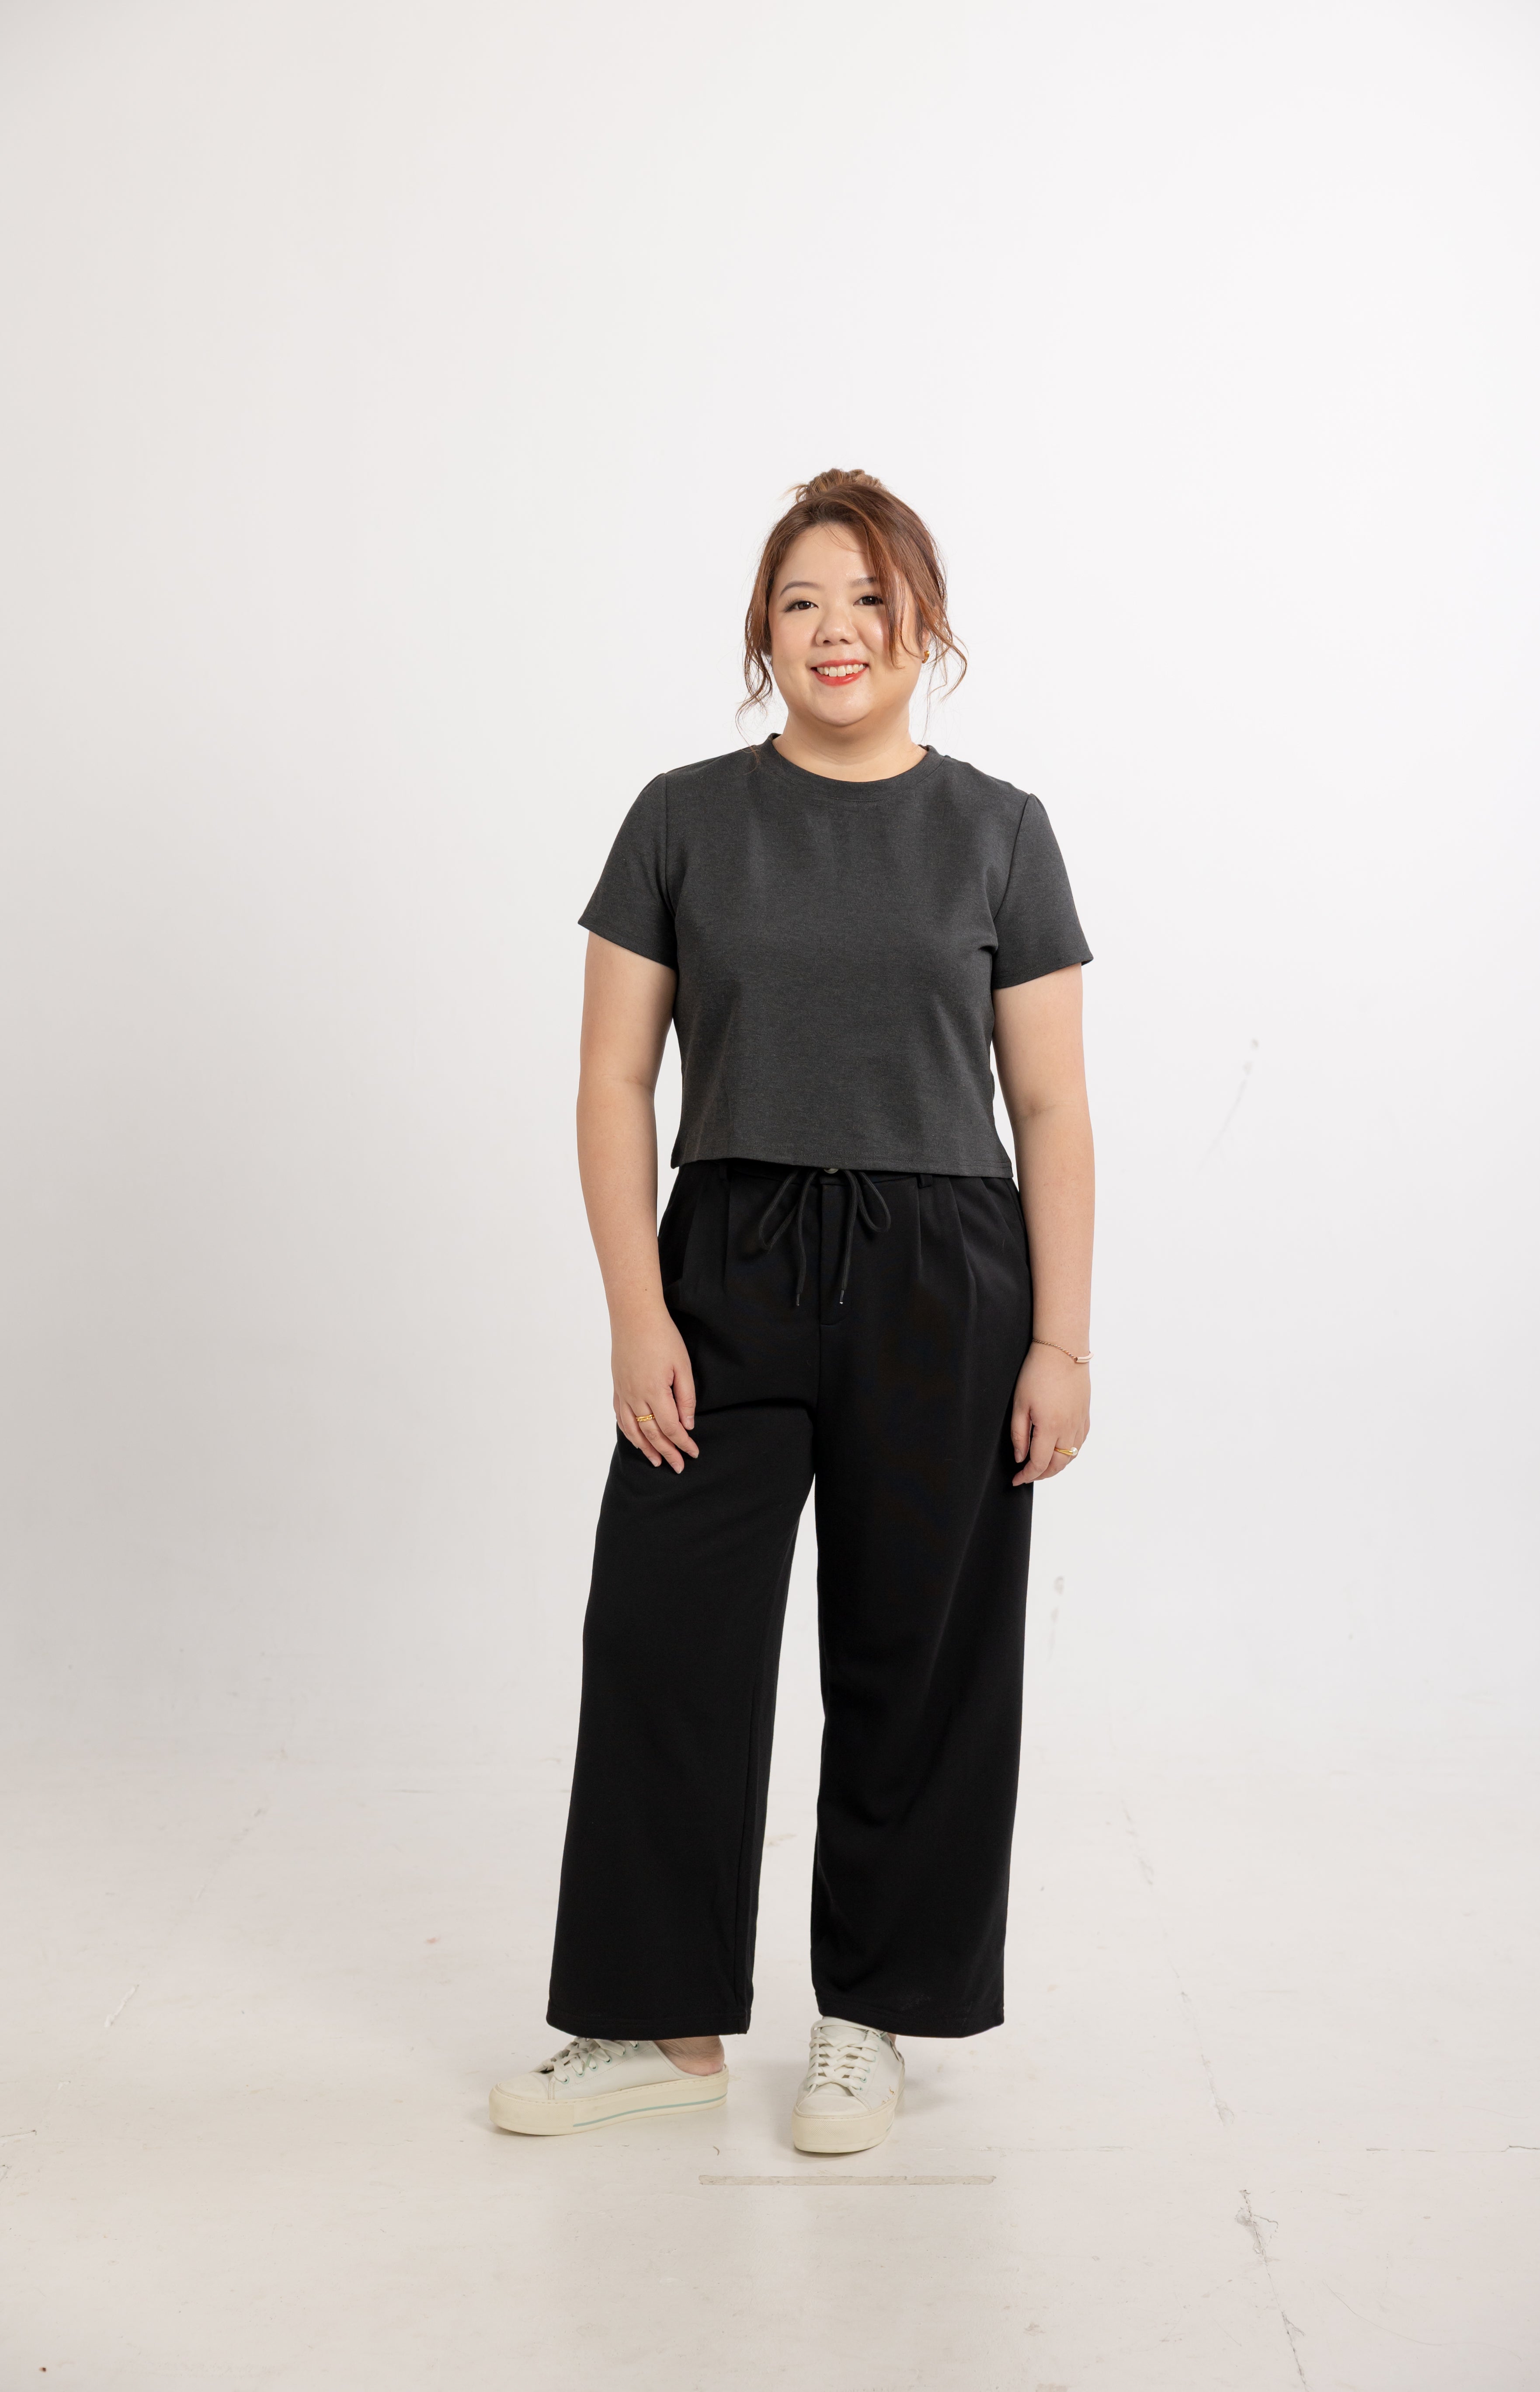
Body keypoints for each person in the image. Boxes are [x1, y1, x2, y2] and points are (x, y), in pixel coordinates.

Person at [490, 469, 1094, 2153]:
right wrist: (638, 1310)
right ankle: (655, 2020)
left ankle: (872, 2018)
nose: (837, 631)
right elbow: (615, 1080)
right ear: (763, 628)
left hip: (945, 1268)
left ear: (925, 625)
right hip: (731, 1254)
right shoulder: (683, 818)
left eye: (871, 599)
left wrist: (1061, 1339)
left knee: (920, 1649)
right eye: (803, 600)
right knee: (666, 1635)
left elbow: (1051, 1105)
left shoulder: (1001, 830)